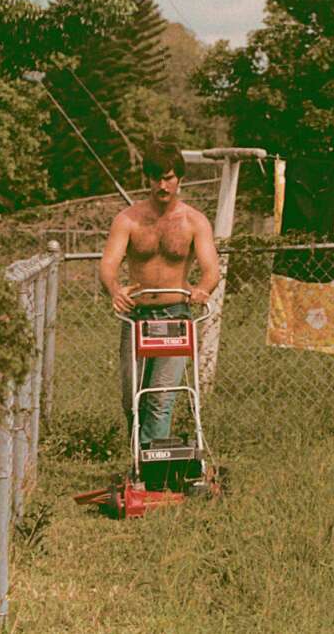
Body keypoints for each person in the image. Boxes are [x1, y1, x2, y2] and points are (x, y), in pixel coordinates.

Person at [99, 142, 220, 449]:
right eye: (155, 178)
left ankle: (154, 469)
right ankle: (140, 458)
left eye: (168, 177)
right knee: (132, 398)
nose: (162, 185)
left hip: (175, 316)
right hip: (136, 317)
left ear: (179, 178)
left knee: (160, 398)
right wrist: (115, 289)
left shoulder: (195, 221)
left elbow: (211, 270)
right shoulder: (128, 219)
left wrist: (202, 290)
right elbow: (109, 265)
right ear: (147, 180)